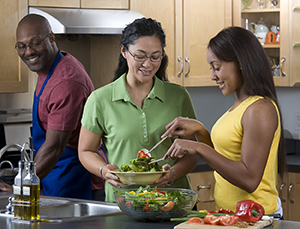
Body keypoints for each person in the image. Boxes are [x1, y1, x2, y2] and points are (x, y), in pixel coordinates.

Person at [161, 26, 286, 218]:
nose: (213, 76)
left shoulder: (259, 109)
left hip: (258, 219)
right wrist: (200, 131)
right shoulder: (240, 105)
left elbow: (249, 179)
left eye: (217, 67)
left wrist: (199, 148)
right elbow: (226, 159)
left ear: (241, 63)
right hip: (234, 217)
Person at [78, 17, 199, 203]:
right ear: (124, 51)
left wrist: (172, 174)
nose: (148, 64)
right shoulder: (100, 100)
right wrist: (103, 171)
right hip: (124, 203)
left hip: (174, 203)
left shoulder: (179, 96)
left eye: (155, 56)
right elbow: (86, 151)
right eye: (140, 56)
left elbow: (192, 154)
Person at [15, 14, 96, 199]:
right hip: (54, 175)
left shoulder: (66, 82)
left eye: (35, 43)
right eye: (22, 46)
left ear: (51, 38)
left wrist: (22, 186)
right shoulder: (49, 67)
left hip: (73, 181)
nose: (28, 52)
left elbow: (54, 147)